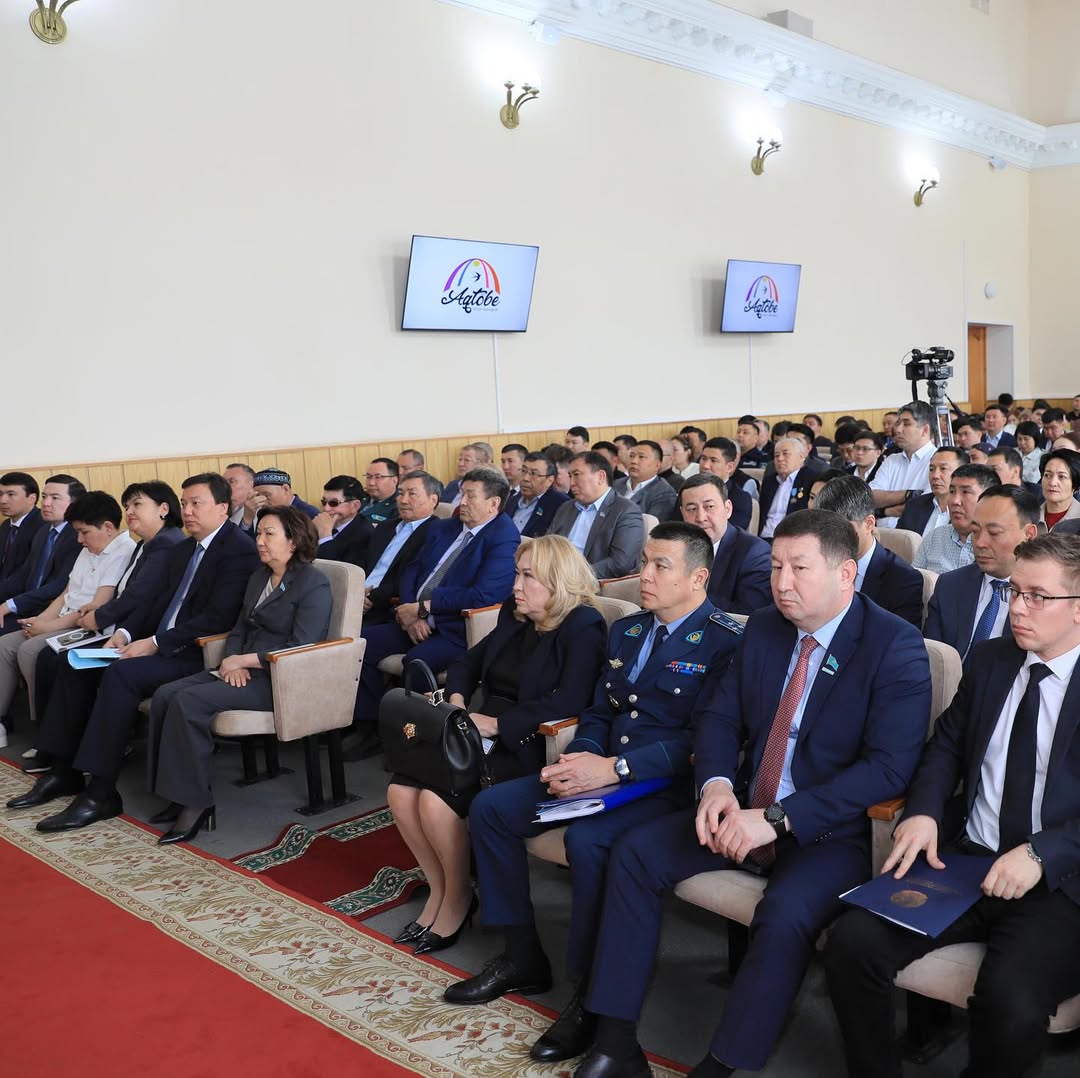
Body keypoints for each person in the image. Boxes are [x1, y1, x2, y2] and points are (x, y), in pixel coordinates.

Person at [573, 510, 930, 1078]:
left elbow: (888, 769)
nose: (781, 582)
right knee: (635, 854)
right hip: (742, 804)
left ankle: (724, 1063)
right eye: (776, 566)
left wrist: (779, 818)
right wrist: (715, 784)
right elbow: (719, 716)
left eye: (799, 568)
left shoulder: (894, 645)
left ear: (845, 574)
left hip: (825, 829)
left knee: (784, 915)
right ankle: (615, 1043)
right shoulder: (764, 627)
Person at [442, 523, 743, 1060]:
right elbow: (601, 711)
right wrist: (580, 756)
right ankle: (521, 955)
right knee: (490, 809)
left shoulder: (726, 641)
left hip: (664, 785)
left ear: (698, 578)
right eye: (644, 561)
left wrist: (614, 768)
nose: (644, 575)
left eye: (660, 566)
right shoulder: (628, 630)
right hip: (601, 770)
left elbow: (708, 739)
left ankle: (588, 995)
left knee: (588, 842)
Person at [825, 533, 1080, 1078]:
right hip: (968, 858)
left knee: (1010, 1003)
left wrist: (1041, 853)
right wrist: (923, 811)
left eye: (1038, 596)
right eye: (1014, 592)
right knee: (851, 943)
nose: (1017, 608)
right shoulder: (990, 660)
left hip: (1061, 881)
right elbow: (945, 746)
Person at [389, 535, 607, 955]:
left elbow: (571, 699)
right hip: (476, 731)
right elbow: (468, 661)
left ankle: (458, 898)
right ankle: (442, 889)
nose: (516, 586)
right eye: (517, 574)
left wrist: (496, 724)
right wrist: (456, 701)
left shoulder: (583, 625)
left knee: (434, 802)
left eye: (528, 576)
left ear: (557, 580)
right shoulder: (516, 613)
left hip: (527, 741)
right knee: (400, 792)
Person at [8, 473, 260, 829]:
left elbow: (218, 617)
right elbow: (156, 602)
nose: (187, 511)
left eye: (196, 503)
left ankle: (101, 792)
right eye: (184, 503)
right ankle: (64, 770)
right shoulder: (185, 548)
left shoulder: (239, 549)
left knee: (121, 675)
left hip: (197, 652)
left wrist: (154, 643)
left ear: (222, 508)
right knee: (73, 664)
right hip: (160, 643)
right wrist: (125, 634)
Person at [147, 506, 332, 844]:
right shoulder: (259, 576)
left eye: (269, 534)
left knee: (188, 702)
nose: (259, 541)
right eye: (258, 533)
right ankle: (176, 794)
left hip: (281, 679)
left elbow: (301, 646)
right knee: (164, 694)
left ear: (293, 541)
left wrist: (246, 661)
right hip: (244, 668)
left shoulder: (313, 582)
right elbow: (239, 628)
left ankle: (197, 803)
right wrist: (233, 659)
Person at [22, 482, 185, 774]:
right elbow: (133, 595)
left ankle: (64, 756)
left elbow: (141, 596)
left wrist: (101, 618)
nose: (129, 511)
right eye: (128, 506)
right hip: (122, 630)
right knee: (55, 659)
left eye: (137, 504)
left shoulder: (167, 543)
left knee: (70, 663)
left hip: (140, 637)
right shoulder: (149, 543)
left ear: (163, 509)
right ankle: (58, 750)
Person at [353, 468, 520, 736]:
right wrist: (410, 612)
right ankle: (371, 725)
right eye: (462, 494)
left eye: (470, 496)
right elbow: (412, 571)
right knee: (361, 643)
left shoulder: (503, 537)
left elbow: (484, 595)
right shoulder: (445, 527)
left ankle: (418, 735)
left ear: (493, 503)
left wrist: (423, 609)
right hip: (414, 617)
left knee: (417, 661)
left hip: (455, 629)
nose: (461, 502)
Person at [0, 492, 136, 731]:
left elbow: (97, 606)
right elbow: (66, 593)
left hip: (87, 626)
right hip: (62, 619)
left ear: (107, 527)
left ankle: (43, 725)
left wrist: (47, 627)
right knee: (5, 645)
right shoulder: (88, 549)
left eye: (84, 532)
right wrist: (39, 621)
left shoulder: (124, 551)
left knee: (30, 651)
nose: (79, 540)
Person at [924, 485, 1040, 659]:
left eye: (994, 533)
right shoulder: (950, 585)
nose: (979, 543)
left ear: (1029, 535)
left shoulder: (1045, 598)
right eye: (975, 531)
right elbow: (932, 657)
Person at [814, 475, 923, 626]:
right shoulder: (814, 565)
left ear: (869, 524)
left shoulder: (902, 580)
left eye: (842, 529)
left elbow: (899, 638)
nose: (832, 538)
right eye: (825, 530)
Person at [0, 474, 85, 636]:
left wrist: (9, 605)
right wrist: (9, 604)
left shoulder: (78, 536)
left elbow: (60, 584)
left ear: (75, 504)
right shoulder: (44, 531)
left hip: (53, 611)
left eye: (55, 498)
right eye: (45, 497)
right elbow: (23, 575)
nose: (45, 503)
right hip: (27, 606)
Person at [678, 474, 771, 615]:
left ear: (727, 509)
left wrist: (683, 597)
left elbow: (748, 613)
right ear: (682, 513)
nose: (701, 517)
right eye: (691, 509)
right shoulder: (674, 547)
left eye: (709, 506)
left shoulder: (754, 552)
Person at [362, 470, 441, 627]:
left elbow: (415, 578)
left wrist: (371, 597)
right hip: (356, 598)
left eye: (412, 494)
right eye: (400, 493)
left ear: (433, 500)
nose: (403, 500)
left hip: (388, 608)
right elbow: (364, 562)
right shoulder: (385, 527)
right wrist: (355, 590)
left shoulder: (436, 533)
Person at [550, 452, 643, 579]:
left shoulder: (625, 511)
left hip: (589, 581)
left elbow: (621, 563)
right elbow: (548, 544)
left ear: (600, 477)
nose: (571, 483)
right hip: (554, 576)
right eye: (570, 476)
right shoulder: (566, 507)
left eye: (576, 475)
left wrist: (575, 576)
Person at [913, 463, 999, 575]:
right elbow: (912, 581)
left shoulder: (999, 544)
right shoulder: (935, 537)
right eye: (952, 492)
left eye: (965, 492)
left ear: (989, 500)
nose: (955, 501)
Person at [869, 401, 936, 519]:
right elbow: (869, 497)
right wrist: (909, 494)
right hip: (880, 530)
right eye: (898, 423)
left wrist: (883, 511)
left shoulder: (938, 460)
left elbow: (923, 506)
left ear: (925, 430)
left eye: (906, 424)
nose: (898, 430)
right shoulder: (891, 459)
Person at [895, 445, 969, 537]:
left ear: (962, 473)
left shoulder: (971, 509)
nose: (935, 475)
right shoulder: (914, 506)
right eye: (931, 469)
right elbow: (899, 542)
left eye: (943, 469)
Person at [311, 474, 374, 567]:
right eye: (324, 502)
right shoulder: (320, 523)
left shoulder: (364, 534)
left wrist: (325, 536)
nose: (326, 508)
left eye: (334, 503)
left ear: (355, 506)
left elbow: (337, 571)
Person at [759, 437, 813, 539]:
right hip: (763, 538)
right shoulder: (769, 481)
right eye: (776, 455)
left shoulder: (810, 480)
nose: (780, 459)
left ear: (801, 456)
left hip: (792, 538)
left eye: (785, 454)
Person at [504, 452, 569, 537]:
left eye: (533, 474)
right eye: (523, 471)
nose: (525, 478)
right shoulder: (511, 501)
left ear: (549, 480)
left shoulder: (560, 504)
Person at [239, 468, 319, 535]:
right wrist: (247, 519)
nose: (262, 501)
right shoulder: (264, 514)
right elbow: (249, 546)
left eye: (266, 495)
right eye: (258, 496)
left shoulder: (310, 514)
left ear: (286, 489)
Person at [697, 439, 754, 532]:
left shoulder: (740, 498)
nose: (705, 466)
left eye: (713, 460)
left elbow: (731, 533)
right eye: (703, 458)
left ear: (729, 467)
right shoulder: (689, 491)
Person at [614, 441, 678, 519]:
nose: (634, 461)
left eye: (641, 457)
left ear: (657, 465)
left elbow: (654, 524)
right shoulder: (615, 484)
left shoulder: (664, 493)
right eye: (631, 456)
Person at [0, 472, 44, 579]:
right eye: (0, 494)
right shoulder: (6, 525)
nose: (2, 501)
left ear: (31, 499)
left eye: (11, 494)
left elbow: (29, 572)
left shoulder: (43, 526)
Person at [1039, 448, 1080, 531]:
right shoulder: (1028, 515)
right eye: (1047, 475)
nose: (1052, 483)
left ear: (1075, 483)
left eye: (1061, 477)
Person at [360, 458, 400, 524]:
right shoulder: (360, 498)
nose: (371, 483)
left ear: (394, 480)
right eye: (368, 477)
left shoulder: (399, 506)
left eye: (378, 477)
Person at [1015, 419, 1045, 483]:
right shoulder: (1012, 452)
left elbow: (1033, 480)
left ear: (1035, 439)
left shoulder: (1042, 457)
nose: (1022, 443)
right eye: (1019, 439)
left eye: (1026, 439)